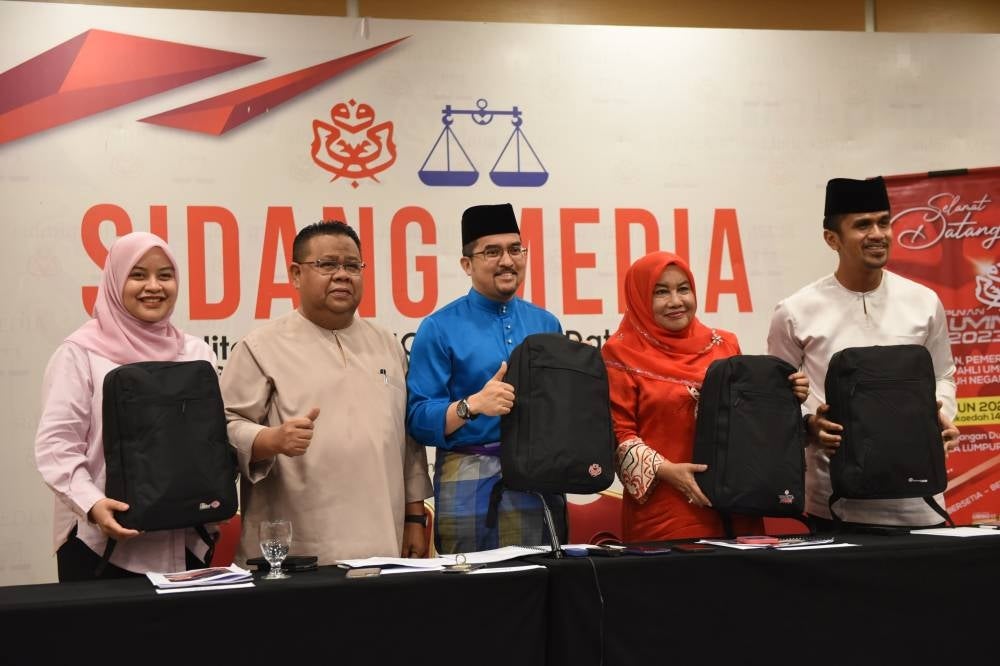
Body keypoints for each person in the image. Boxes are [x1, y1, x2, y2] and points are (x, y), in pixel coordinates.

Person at [221, 221, 431, 565]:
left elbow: (407, 440)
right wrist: (270, 439)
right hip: (297, 548)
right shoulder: (260, 347)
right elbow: (224, 427)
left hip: (382, 538)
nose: (342, 275)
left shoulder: (387, 344)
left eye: (352, 266)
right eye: (327, 264)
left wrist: (413, 517)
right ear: (295, 273)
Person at [767, 176, 960, 530]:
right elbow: (777, 396)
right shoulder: (795, 311)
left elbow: (943, 376)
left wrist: (941, 415)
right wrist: (810, 424)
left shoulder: (923, 303)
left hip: (920, 500)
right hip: (835, 503)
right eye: (862, 225)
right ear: (832, 239)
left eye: (884, 222)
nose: (878, 233)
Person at [35, 232, 217, 581]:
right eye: (138, 275)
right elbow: (56, 445)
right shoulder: (80, 354)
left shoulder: (196, 353)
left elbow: (209, 439)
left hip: (185, 544)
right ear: (115, 280)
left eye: (165, 275)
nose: (154, 286)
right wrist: (92, 504)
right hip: (99, 548)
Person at [602, 251, 808, 542]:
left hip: (739, 503)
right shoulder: (619, 353)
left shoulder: (724, 344)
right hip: (667, 510)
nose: (676, 301)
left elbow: (747, 418)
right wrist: (668, 471)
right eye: (660, 292)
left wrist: (787, 396)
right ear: (639, 297)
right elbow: (617, 435)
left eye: (683, 289)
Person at [406, 203, 563, 553]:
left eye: (514, 249)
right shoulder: (438, 327)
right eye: (492, 251)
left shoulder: (547, 324)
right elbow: (417, 417)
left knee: (538, 583)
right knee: (471, 593)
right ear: (467, 264)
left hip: (537, 475)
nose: (507, 261)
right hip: (467, 474)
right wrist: (472, 405)